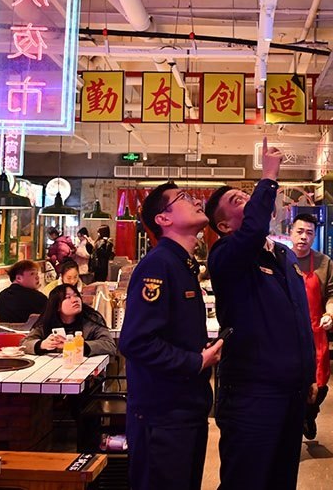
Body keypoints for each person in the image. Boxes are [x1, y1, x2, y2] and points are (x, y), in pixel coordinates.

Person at [205, 138, 315, 490]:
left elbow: (298, 320)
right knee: (246, 481)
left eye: (249, 196)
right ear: (224, 226)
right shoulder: (226, 256)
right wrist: (267, 176)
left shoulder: (283, 256)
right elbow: (252, 230)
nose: (251, 201)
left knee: (282, 480)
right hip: (252, 394)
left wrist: (308, 375)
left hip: (291, 392)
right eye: (239, 201)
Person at [120, 183, 224, 490]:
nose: (196, 201)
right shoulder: (158, 264)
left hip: (185, 409)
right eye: (183, 198)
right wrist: (195, 361)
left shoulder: (183, 264)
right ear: (163, 219)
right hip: (162, 414)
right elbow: (135, 341)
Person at [289, 212, 333, 440]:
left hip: (315, 332)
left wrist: (330, 314)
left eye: (309, 233)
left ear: (314, 236)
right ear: (290, 232)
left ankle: (309, 414)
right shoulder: (280, 259)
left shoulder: (323, 262)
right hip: (286, 334)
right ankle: (293, 424)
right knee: (290, 383)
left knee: (319, 384)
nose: (304, 237)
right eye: (300, 231)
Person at [22, 284, 117, 357]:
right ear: (57, 306)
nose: (75, 300)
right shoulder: (47, 322)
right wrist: (42, 345)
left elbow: (110, 346)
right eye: (68, 297)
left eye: (76, 296)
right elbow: (24, 344)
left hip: (85, 370)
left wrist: (78, 346)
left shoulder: (91, 320)